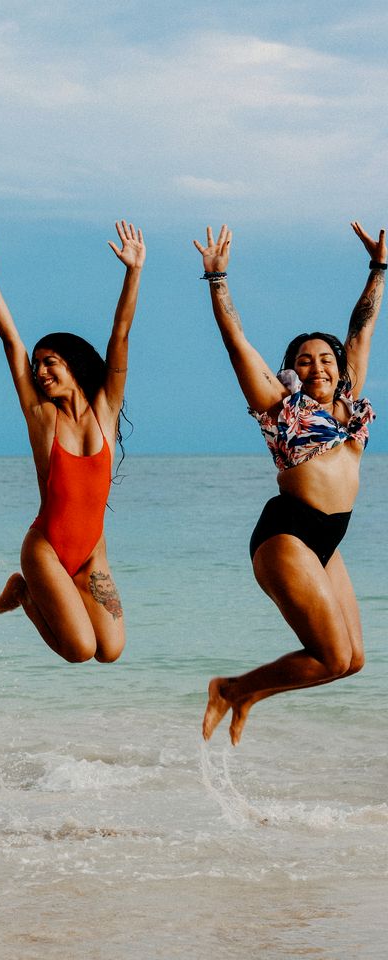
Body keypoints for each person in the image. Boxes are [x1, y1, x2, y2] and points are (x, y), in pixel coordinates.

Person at [195, 221, 385, 745]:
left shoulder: (351, 401)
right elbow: (237, 344)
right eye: (305, 360)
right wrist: (218, 280)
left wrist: (378, 270)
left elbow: (362, 330)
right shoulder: (281, 407)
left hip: (329, 539)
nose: (318, 364)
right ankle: (231, 688)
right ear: (293, 372)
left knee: (352, 662)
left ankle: (247, 692)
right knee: (329, 655)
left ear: (338, 367)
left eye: (325, 358)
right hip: (288, 535)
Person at [0, 221, 145, 662]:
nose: (41, 372)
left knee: (112, 651)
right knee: (79, 649)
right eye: (39, 365)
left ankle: (45, 596)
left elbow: (120, 335)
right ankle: (25, 593)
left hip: (93, 554)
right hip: (46, 547)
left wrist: (133, 272)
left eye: (50, 363)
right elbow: (12, 343)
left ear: (73, 364)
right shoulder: (41, 417)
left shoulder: (105, 408)